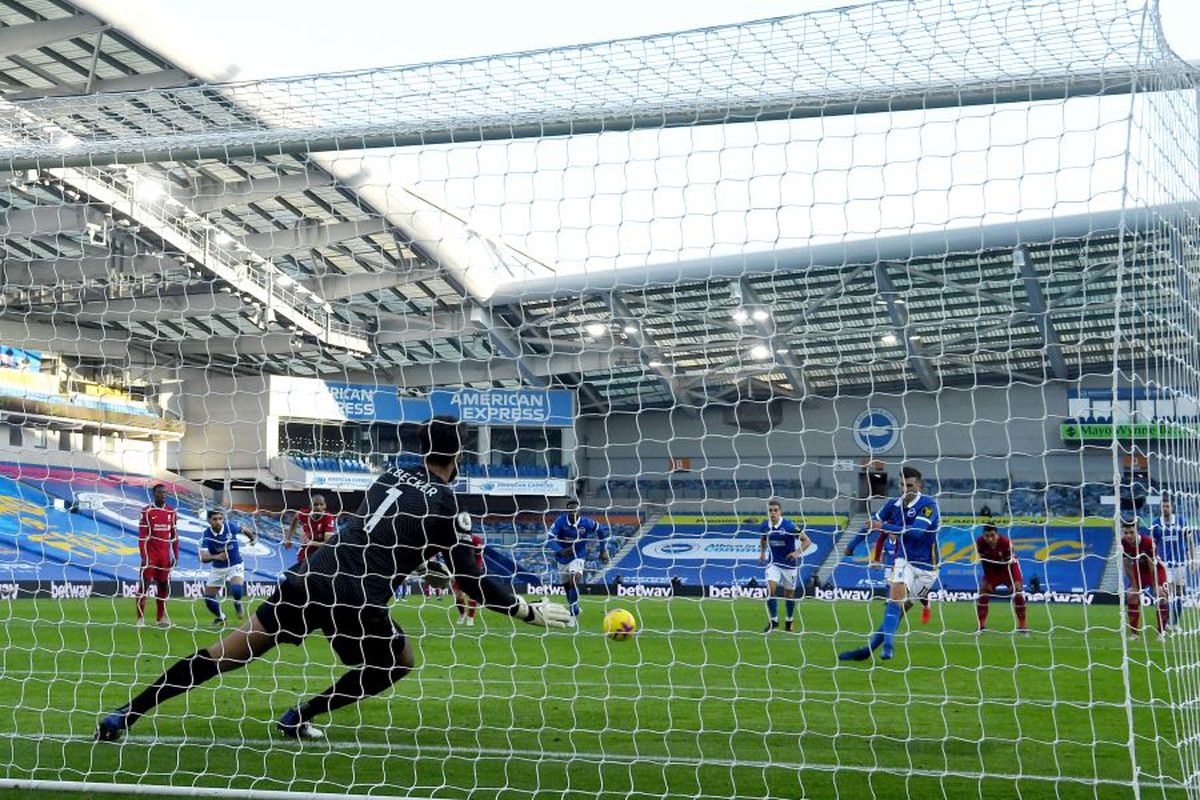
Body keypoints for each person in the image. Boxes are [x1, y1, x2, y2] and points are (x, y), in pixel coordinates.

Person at [96, 417, 571, 743]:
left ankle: (126, 714)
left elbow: (391, 527)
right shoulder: (449, 507)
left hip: (313, 575)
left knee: (228, 653)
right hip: (357, 597)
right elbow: (472, 580)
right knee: (397, 662)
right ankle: (298, 716)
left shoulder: (388, 477)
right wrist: (525, 610)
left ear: (422, 448)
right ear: (459, 453)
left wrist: (417, 555)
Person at [839, 466, 939, 662]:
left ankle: (867, 651)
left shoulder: (928, 505)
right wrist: (851, 546)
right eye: (902, 484)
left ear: (919, 485)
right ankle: (888, 646)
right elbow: (870, 524)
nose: (904, 489)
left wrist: (885, 526)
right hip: (904, 560)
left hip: (928, 569)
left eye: (909, 485)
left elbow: (917, 532)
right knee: (894, 603)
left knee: (897, 613)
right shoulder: (893, 505)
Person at [547, 500, 608, 625]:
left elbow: (601, 530)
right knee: (567, 587)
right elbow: (550, 538)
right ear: (567, 511)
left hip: (578, 556)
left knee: (574, 579)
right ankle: (574, 606)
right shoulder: (560, 521)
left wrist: (603, 550)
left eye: (574, 509)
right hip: (562, 558)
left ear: (578, 510)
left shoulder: (586, 523)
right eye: (570, 509)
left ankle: (573, 615)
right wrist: (560, 550)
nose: (572, 512)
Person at [757, 499, 812, 632]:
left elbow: (807, 541)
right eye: (770, 510)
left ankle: (789, 620)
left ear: (780, 512)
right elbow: (763, 539)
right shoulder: (765, 526)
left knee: (790, 595)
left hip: (789, 565)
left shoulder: (789, 526)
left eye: (775, 510)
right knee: (770, 590)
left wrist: (797, 553)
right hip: (773, 563)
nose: (773, 513)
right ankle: (774, 621)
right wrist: (762, 553)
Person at [199, 508, 257, 627]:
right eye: (215, 519)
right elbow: (203, 558)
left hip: (235, 563)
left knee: (236, 589)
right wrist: (217, 557)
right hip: (218, 567)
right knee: (209, 598)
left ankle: (237, 603)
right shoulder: (206, 535)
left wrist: (253, 538)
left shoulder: (229, 527)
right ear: (209, 521)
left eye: (220, 519)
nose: (219, 522)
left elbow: (244, 529)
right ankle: (221, 617)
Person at [136, 483, 178, 628]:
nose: (163, 495)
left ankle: (160, 618)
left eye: (165, 493)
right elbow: (142, 537)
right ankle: (140, 619)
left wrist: (176, 555)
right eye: (160, 493)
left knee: (164, 587)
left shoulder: (171, 512)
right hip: (151, 556)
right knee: (144, 586)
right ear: (155, 494)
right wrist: (144, 556)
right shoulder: (147, 511)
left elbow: (174, 536)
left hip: (165, 557)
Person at [974, 523, 1028, 634]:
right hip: (993, 571)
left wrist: (1016, 580)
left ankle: (1022, 625)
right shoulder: (980, 542)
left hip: (1008, 570)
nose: (989, 539)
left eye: (992, 535)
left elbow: (1013, 564)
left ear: (997, 535)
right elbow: (985, 564)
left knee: (1018, 592)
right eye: (987, 536)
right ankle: (981, 626)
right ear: (983, 536)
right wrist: (988, 580)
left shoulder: (1005, 543)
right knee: (983, 591)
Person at [1121, 517, 1169, 640]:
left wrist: (1155, 585)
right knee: (1132, 595)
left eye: (1131, 532)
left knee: (1162, 596)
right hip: (1139, 570)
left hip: (1156, 570)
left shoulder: (1148, 542)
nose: (1128, 535)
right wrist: (1134, 585)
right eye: (1126, 533)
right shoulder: (1123, 543)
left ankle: (1161, 632)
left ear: (1137, 532)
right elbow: (1126, 565)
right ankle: (1134, 634)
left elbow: (1152, 565)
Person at [1151, 495, 1190, 628]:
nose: (1165, 508)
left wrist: (1191, 558)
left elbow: (1188, 539)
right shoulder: (1156, 523)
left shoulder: (1181, 521)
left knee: (1179, 593)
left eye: (1167, 506)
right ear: (1160, 508)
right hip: (1164, 564)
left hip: (1179, 563)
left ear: (1172, 507)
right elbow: (1154, 544)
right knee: (1166, 593)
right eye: (1163, 506)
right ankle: (1165, 622)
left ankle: (1176, 623)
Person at [283, 494, 337, 562]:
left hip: (321, 550)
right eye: (315, 504)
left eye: (321, 504)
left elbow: (327, 544)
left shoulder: (328, 518)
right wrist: (288, 539)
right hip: (307, 548)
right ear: (310, 506)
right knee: (301, 567)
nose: (318, 507)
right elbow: (295, 519)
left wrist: (310, 542)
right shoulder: (304, 514)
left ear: (325, 506)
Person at [453, 530, 486, 626]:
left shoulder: (476, 539)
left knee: (473, 594)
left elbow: (479, 557)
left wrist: (477, 570)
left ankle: (470, 617)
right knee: (458, 595)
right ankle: (462, 614)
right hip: (459, 569)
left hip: (473, 569)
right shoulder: (456, 539)